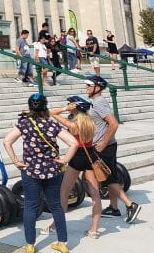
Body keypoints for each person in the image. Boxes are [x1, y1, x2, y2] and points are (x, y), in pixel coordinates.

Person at [2, 93, 78, 253]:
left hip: (30, 171)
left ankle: (30, 245)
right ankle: (62, 243)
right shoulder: (51, 125)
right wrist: (64, 160)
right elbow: (73, 142)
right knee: (56, 206)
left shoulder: (23, 123)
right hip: (52, 170)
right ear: (45, 107)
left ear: (30, 107)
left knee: (30, 206)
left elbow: (7, 141)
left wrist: (15, 160)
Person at [84, 75, 141, 222]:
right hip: (108, 145)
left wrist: (102, 143)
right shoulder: (95, 102)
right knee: (111, 177)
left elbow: (113, 123)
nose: (86, 87)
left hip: (104, 147)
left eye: (89, 85)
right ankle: (114, 208)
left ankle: (130, 205)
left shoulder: (99, 103)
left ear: (98, 87)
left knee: (108, 178)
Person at [48, 96, 103, 239]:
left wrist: (65, 109)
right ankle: (94, 229)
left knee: (64, 193)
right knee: (95, 195)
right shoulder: (91, 122)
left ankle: (55, 225)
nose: (68, 106)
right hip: (90, 155)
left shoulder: (73, 125)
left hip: (76, 157)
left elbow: (50, 113)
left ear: (75, 107)